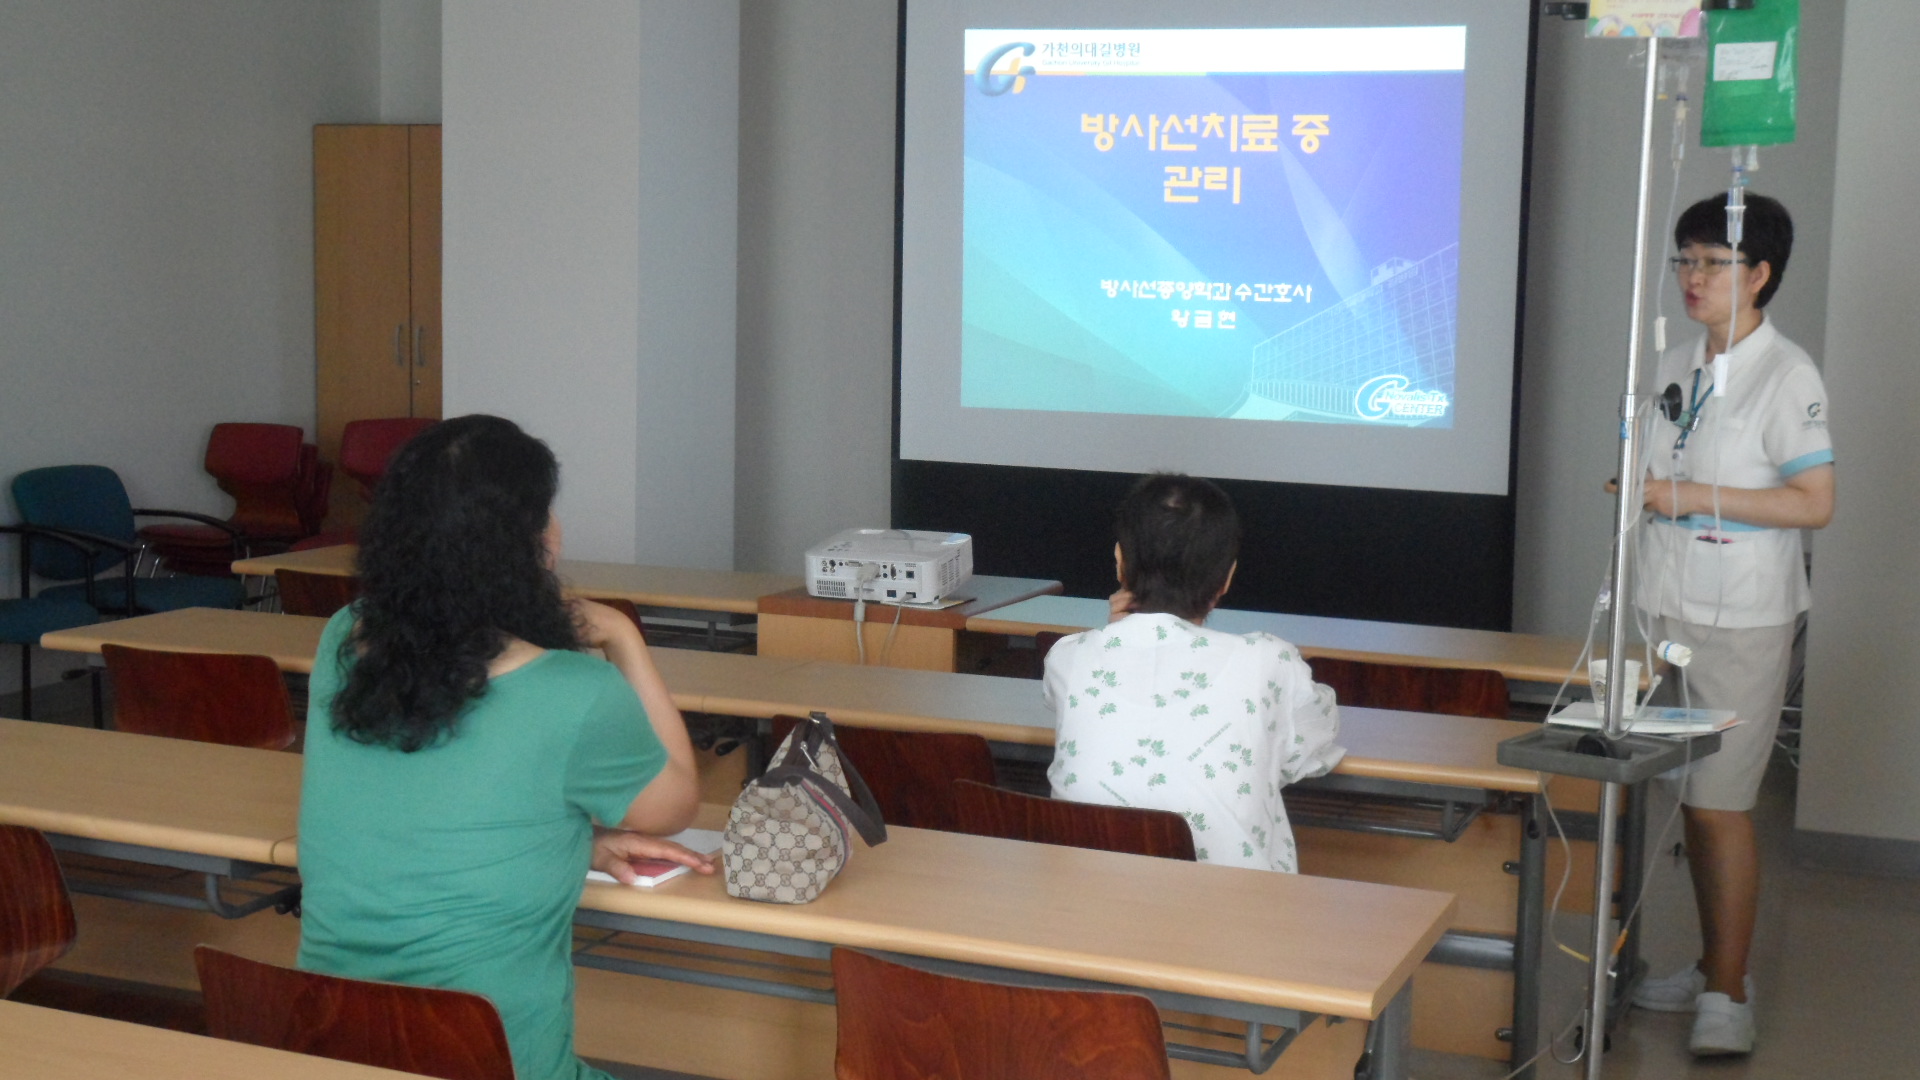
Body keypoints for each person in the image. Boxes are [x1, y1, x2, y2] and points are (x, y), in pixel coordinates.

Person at [296, 415, 713, 1080]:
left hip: (330, 1049)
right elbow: (674, 806)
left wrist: (569, 841)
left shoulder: (343, 639)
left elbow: (412, 802)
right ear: (527, 543)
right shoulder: (574, 689)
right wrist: (624, 638)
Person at [1621, 194, 1834, 1056]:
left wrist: (1685, 497)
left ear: (1759, 275)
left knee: (1720, 806)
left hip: (1740, 616)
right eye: (1684, 259)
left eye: (1712, 262)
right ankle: (1712, 964)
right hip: (1665, 601)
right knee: (1683, 798)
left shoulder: (1788, 375)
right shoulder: (1677, 360)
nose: (1692, 277)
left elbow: (1813, 502)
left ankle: (1730, 995)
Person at [1043, 473, 1343, 871]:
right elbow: (1310, 752)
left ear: (1119, 561)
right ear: (1227, 577)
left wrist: (1114, 633)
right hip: (1231, 904)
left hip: (1084, 900)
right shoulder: (1269, 662)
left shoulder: (1068, 657)